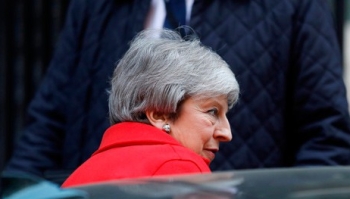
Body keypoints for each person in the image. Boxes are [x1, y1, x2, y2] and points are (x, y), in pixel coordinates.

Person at [4, 0, 350, 185]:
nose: (226, 131)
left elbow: (326, 135)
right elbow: (47, 124)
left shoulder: (294, 6)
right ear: (156, 111)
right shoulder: (95, 6)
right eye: (213, 112)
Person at [61, 29, 239, 187]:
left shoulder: (78, 176)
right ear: (160, 114)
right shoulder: (179, 165)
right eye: (212, 112)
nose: (226, 133)